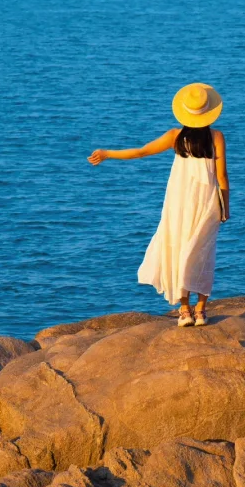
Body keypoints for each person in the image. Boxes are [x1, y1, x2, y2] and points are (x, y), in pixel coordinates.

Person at [88, 83, 229, 326]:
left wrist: (108, 153)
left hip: (178, 202)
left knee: (179, 249)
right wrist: (225, 207)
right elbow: (222, 176)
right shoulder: (216, 137)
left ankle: (184, 311)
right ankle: (201, 310)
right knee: (204, 251)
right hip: (206, 202)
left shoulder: (175, 136)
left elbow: (141, 152)